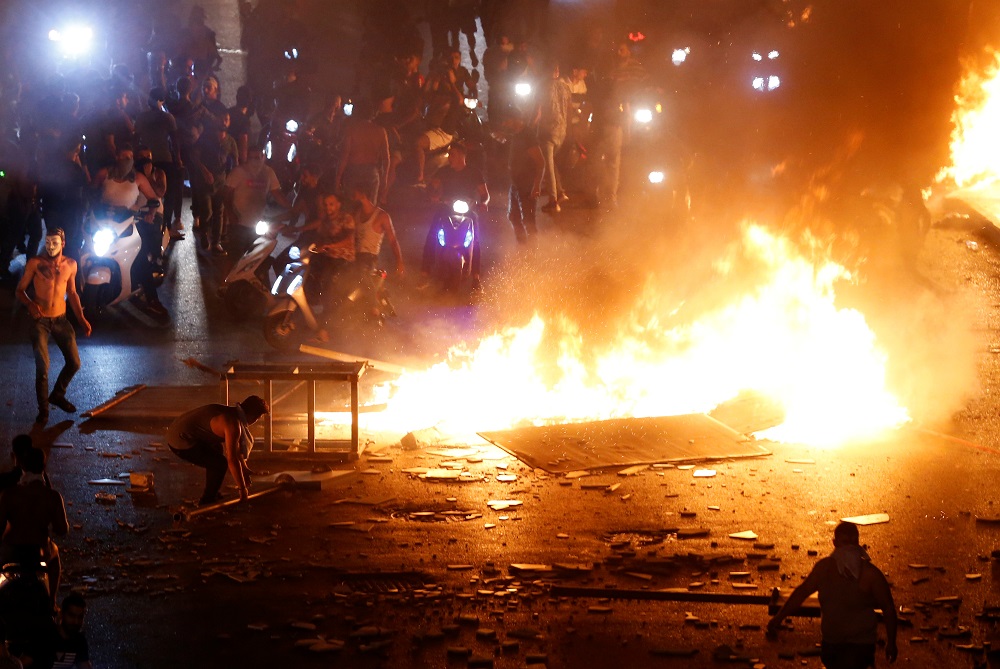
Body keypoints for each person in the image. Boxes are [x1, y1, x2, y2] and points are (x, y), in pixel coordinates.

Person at [767, 522, 898, 669]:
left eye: (853, 542)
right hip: (831, 643)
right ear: (835, 543)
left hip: (860, 644)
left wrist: (892, 642)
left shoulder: (869, 574)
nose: (849, 547)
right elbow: (801, 593)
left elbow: (888, 608)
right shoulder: (824, 569)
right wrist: (778, 618)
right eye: (845, 542)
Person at [16, 228, 91, 425]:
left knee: (74, 362)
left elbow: (73, 293)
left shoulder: (71, 265)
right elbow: (20, 290)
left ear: (63, 243)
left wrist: (82, 319)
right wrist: (30, 304)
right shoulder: (36, 264)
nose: (50, 246)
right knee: (42, 368)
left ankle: (57, 395)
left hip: (60, 319)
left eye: (55, 242)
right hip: (40, 321)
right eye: (47, 242)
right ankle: (44, 411)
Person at [167, 395, 269, 506]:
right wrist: (242, 489)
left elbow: (235, 448)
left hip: (180, 432)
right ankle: (207, 500)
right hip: (179, 441)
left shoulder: (232, 412)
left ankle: (213, 492)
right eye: (257, 418)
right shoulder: (232, 423)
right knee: (219, 464)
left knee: (217, 449)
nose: (255, 421)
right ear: (253, 416)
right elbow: (232, 459)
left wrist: (244, 469)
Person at [0, 445, 67, 611]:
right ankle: (52, 602)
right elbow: (62, 530)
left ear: (22, 467)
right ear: (43, 468)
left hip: (11, 551)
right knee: (55, 555)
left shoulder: (9, 494)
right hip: (39, 553)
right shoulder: (52, 496)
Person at [421, 142, 488, 287]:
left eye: (452, 154)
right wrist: (433, 195)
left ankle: (476, 277)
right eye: (449, 154)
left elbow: (485, 194)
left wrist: (484, 203)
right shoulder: (444, 171)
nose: (449, 157)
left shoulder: (474, 172)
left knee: (475, 238)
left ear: (462, 156)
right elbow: (432, 186)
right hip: (447, 207)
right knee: (433, 233)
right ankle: (425, 272)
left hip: (468, 210)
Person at [222, 144, 291, 257]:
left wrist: (291, 208)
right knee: (235, 257)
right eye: (251, 158)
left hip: (259, 223)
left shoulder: (268, 173)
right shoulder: (238, 172)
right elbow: (226, 194)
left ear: (263, 157)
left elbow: (276, 193)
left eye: (257, 158)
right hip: (239, 223)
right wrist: (230, 213)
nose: (254, 161)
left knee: (256, 257)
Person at [308, 192, 357, 344]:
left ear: (338, 204)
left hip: (343, 260)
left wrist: (329, 246)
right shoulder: (326, 221)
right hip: (328, 259)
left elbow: (349, 241)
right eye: (326, 204)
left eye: (331, 204)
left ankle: (324, 333)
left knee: (330, 293)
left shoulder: (346, 218)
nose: (328, 207)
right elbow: (319, 237)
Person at [537, 60, 572, 212]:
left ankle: (553, 200)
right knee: (551, 162)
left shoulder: (542, 86)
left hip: (547, 129)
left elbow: (538, 111)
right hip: (562, 130)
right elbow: (569, 109)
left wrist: (531, 124)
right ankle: (561, 192)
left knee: (548, 165)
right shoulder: (565, 87)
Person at [506, 112, 544, 244]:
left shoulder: (527, 135)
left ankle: (532, 253)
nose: (506, 124)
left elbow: (541, 162)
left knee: (528, 221)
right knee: (513, 217)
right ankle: (523, 247)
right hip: (516, 184)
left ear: (516, 119)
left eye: (508, 120)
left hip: (527, 185)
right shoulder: (516, 135)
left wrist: (537, 185)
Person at [42, 592, 92, 669]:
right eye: (72, 616)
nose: (76, 621)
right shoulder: (45, 637)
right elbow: (22, 663)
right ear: (62, 614)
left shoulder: (79, 641)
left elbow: (85, 665)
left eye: (80, 617)